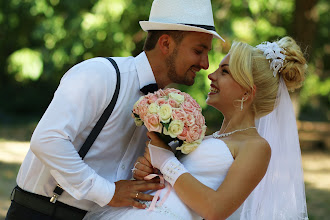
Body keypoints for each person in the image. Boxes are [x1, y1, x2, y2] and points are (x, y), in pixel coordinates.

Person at [5, 0, 224, 219]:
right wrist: (108, 192)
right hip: (42, 212)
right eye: (198, 50)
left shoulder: (174, 111)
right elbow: (48, 140)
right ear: (165, 44)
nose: (205, 64)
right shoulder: (100, 74)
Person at [83, 36, 309, 220]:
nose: (211, 75)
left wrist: (167, 162)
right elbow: (183, 185)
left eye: (225, 71)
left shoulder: (257, 147)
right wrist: (152, 172)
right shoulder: (210, 137)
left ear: (247, 92)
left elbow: (215, 210)